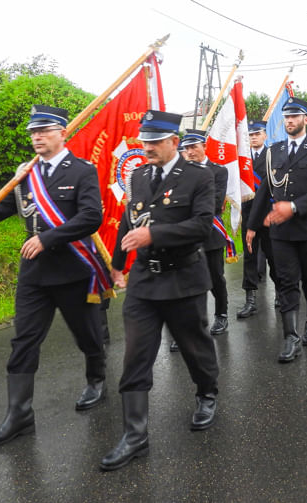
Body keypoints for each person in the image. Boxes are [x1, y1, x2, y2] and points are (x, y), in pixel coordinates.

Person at [0, 105, 109, 448]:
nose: (37, 136)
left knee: (87, 335)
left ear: (63, 133)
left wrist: (48, 238)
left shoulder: (82, 171)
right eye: (33, 132)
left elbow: (91, 217)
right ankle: (19, 414)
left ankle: (97, 379)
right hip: (35, 274)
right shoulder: (25, 174)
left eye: (45, 131)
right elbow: (2, 207)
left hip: (72, 270)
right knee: (24, 341)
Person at [101, 110, 220, 471]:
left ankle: (207, 393)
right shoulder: (138, 175)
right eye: (144, 140)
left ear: (173, 142)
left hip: (183, 278)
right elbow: (128, 220)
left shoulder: (199, 177)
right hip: (143, 281)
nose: (147, 146)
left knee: (194, 346)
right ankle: (135, 435)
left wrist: (155, 234)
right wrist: (118, 263)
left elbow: (202, 225)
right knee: (136, 355)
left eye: (154, 141)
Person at [246, 97, 307, 362]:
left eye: (295, 117)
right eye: (286, 117)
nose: (290, 121)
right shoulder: (274, 151)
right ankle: (290, 337)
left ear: (305, 119)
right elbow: (265, 190)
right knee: (286, 281)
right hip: (281, 232)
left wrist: (294, 207)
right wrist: (251, 226)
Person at [179, 129, 230, 336]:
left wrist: (186, 203)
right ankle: (190, 325)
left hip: (210, 234)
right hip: (185, 235)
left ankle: (222, 314)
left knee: (215, 276)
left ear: (204, 147)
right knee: (187, 280)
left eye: (194, 147)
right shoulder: (179, 172)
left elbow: (215, 203)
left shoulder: (218, 171)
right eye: (186, 148)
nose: (190, 152)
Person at [238, 121, 277, 319]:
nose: (253, 137)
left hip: (268, 216)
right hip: (248, 214)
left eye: (257, 134)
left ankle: (280, 292)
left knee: (273, 256)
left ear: (265, 136)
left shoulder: (274, 156)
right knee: (249, 257)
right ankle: (250, 299)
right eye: (250, 135)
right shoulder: (242, 159)